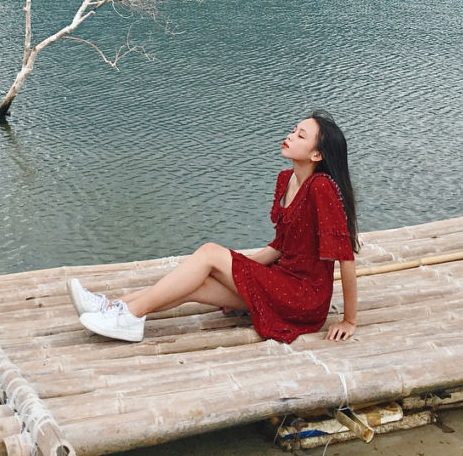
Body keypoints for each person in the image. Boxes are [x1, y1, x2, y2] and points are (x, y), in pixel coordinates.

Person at [68, 110, 359, 344]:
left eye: (300, 135)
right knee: (200, 283)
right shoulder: (287, 179)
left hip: (303, 298)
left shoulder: (321, 188)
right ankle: (111, 308)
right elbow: (280, 246)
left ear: (317, 155)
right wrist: (241, 269)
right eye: (293, 130)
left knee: (209, 253)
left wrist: (349, 320)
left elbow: (345, 257)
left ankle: (128, 314)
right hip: (280, 282)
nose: (289, 136)